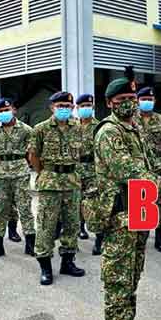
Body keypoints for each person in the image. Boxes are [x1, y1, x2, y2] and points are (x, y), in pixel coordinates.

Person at [91, 66, 156, 320]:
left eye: (132, 96)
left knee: (132, 277)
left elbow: (151, 167)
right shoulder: (108, 132)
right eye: (122, 99)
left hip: (140, 212)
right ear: (110, 104)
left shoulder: (135, 129)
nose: (130, 102)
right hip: (120, 216)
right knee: (118, 279)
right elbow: (128, 172)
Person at [29, 92, 85, 285]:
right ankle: (45, 267)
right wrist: (44, 174)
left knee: (72, 224)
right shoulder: (40, 129)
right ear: (52, 107)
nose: (64, 109)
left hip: (72, 180)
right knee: (46, 225)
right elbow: (33, 156)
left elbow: (81, 153)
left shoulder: (78, 127)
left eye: (68, 106)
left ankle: (67, 263)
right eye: (60, 105)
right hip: (50, 182)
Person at [0, 98, 35, 260]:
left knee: (25, 207)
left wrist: (22, 164)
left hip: (20, 172)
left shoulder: (26, 130)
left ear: (14, 110)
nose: (4, 113)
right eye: (0, 112)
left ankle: (31, 244)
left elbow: (31, 153)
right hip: (0, 172)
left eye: (7, 110)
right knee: (0, 210)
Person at [136, 86, 161, 253]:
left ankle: (160, 237)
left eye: (150, 100)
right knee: (138, 201)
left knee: (159, 201)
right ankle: (139, 236)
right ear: (137, 101)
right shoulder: (131, 120)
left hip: (157, 165)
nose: (147, 102)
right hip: (136, 165)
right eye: (144, 99)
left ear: (154, 101)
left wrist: (155, 154)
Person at [76, 93, 99, 244]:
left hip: (93, 168)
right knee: (77, 200)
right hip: (76, 168)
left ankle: (98, 234)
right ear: (77, 108)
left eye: (88, 106)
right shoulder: (71, 126)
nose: (86, 108)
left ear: (93, 107)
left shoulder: (99, 126)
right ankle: (80, 227)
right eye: (83, 106)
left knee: (94, 201)